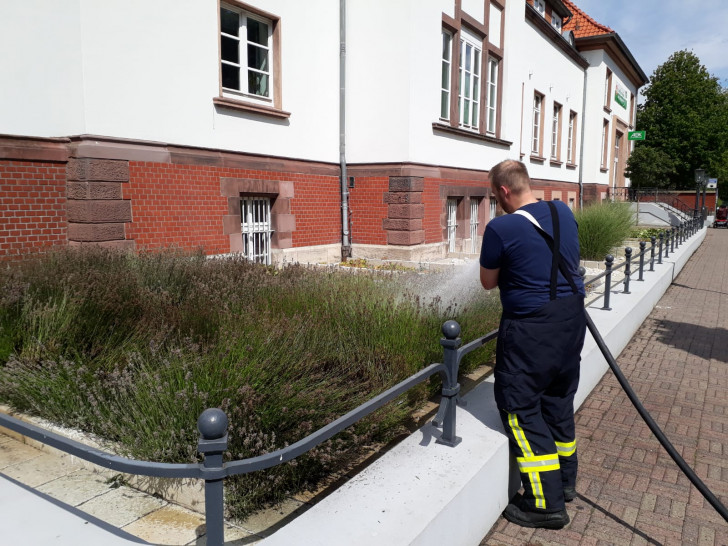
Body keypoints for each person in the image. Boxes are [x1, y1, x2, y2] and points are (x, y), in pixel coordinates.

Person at [479, 159, 586, 530]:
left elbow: (488, 282)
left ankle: (546, 504)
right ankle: (566, 481)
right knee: (557, 400)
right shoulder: (562, 211)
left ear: (504, 191)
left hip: (531, 330)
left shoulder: (500, 227)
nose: (497, 202)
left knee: (520, 408)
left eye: (496, 196)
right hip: (571, 322)